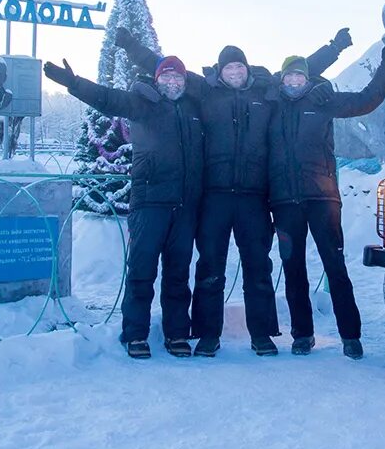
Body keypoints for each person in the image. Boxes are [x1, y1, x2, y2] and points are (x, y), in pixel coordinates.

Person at [115, 26, 351, 357]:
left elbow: (299, 72)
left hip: (254, 197)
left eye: (239, 66)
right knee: (210, 266)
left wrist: (334, 47)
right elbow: (165, 65)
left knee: (258, 267)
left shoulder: (266, 88)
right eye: (229, 67)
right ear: (220, 70)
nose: (235, 71)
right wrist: (130, 46)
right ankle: (208, 335)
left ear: (246, 67)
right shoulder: (206, 90)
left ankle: (262, 335)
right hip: (215, 196)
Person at [44, 54, 203, 360]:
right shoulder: (143, 103)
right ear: (157, 80)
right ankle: (136, 334)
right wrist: (74, 84)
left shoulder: (193, 108)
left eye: (178, 78)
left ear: (185, 81)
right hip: (150, 202)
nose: (173, 82)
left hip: (184, 206)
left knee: (178, 274)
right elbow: (107, 98)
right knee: (142, 271)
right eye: (167, 77)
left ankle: (177, 333)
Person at [268, 41, 385, 359]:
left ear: (306, 79)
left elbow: (367, 100)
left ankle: (350, 336)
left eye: (300, 76)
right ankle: (302, 334)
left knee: (335, 266)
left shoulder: (322, 100)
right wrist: (334, 47)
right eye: (290, 76)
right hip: (285, 202)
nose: (295, 81)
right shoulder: (272, 105)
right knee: (293, 267)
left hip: (322, 198)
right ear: (282, 79)